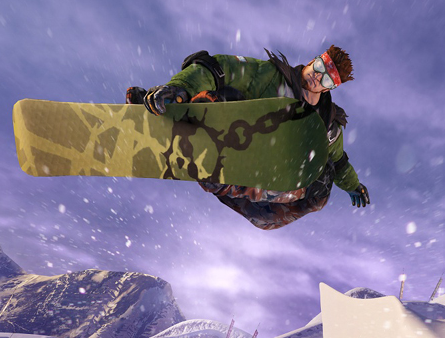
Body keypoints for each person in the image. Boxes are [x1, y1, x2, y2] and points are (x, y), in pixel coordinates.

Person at [126, 46, 369, 230]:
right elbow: (219, 68)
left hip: (265, 193)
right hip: (236, 141)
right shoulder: (271, 77)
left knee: (322, 182)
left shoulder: (328, 125)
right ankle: (176, 112)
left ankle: (224, 172)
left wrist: (353, 185)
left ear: (329, 88)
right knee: (227, 94)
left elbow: (339, 161)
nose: (317, 76)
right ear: (312, 61)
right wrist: (181, 87)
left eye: (326, 79)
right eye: (319, 67)